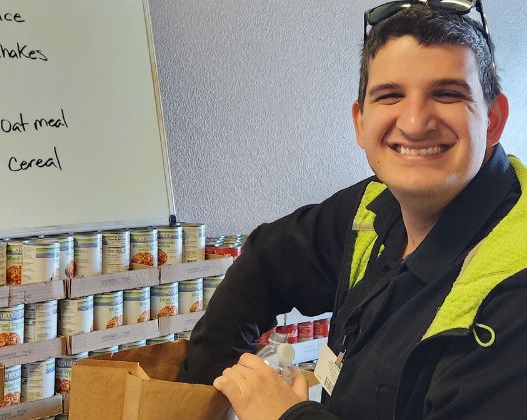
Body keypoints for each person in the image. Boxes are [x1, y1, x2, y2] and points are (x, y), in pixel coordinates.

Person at [178, 1, 527, 419]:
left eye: (447, 93)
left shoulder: (514, 292)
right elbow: (264, 263)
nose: (414, 123)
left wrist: (285, 416)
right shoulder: (376, 204)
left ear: (493, 119)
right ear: (361, 123)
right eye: (391, 95)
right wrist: (200, 396)